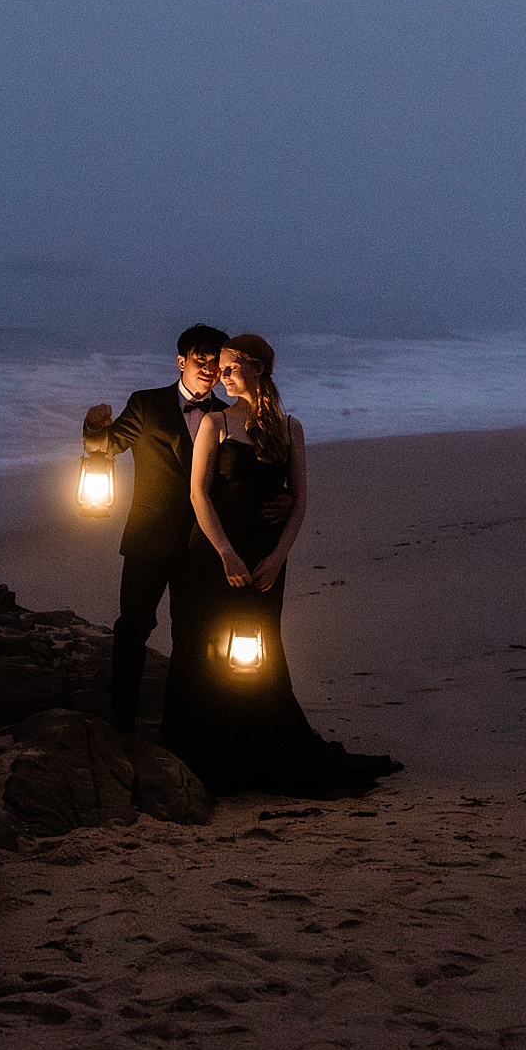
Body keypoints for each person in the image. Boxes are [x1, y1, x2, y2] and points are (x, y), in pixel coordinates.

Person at [160, 333, 400, 797]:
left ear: (258, 369)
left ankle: (259, 748)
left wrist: (277, 556)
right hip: (211, 552)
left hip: (266, 555)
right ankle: (205, 753)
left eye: (231, 367)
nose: (221, 375)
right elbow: (198, 493)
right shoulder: (214, 423)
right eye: (220, 368)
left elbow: (302, 499)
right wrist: (226, 552)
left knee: (260, 651)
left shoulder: (290, 427)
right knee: (202, 646)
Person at [82, 324, 240, 733]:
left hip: (201, 544)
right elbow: (108, 446)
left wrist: (282, 497)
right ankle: (122, 718)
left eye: (214, 362)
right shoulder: (147, 404)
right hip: (148, 539)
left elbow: (237, 479)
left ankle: (181, 725)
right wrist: (93, 430)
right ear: (181, 361)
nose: (208, 369)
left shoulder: (226, 416)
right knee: (132, 629)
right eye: (200, 360)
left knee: (191, 637)